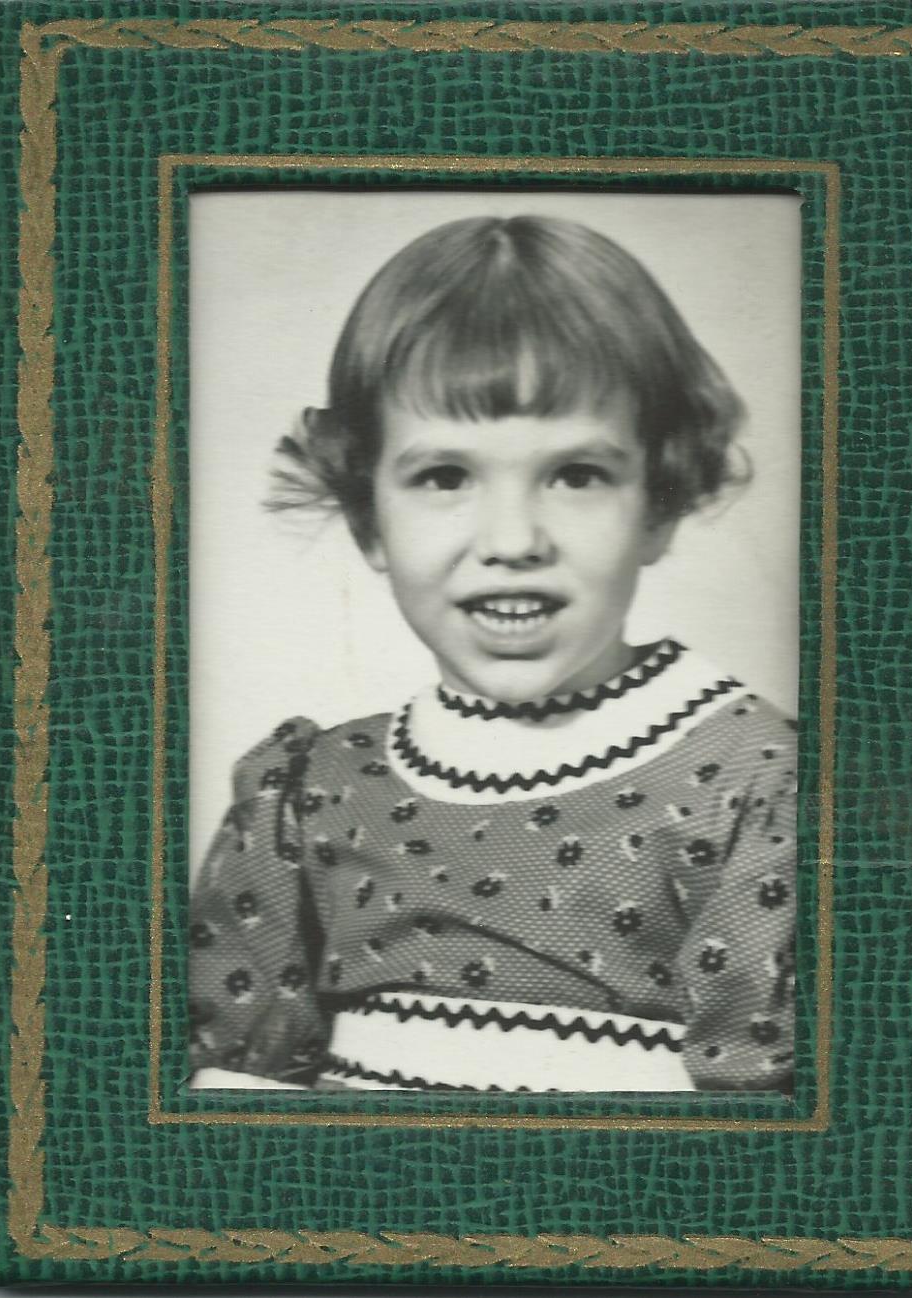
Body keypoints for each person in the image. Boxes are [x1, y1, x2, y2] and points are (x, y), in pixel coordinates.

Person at [188, 214, 796, 1094]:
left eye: (577, 475)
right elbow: (236, 1102)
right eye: (445, 477)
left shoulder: (754, 783)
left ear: (660, 504)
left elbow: (773, 1137)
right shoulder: (312, 790)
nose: (512, 541)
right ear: (367, 520)